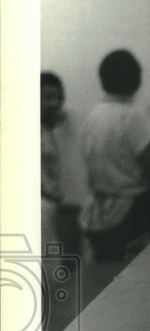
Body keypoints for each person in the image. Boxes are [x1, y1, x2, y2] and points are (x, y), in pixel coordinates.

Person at [79, 49, 150, 262]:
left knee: (106, 283)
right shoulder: (132, 116)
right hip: (130, 216)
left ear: (103, 80)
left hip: (97, 213)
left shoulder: (93, 117)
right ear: (136, 81)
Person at [41, 72, 87, 256]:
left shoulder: (67, 122)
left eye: (59, 97)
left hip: (67, 207)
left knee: (70, 263)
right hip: (41, 208)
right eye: (47, 97)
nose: (55, 102)